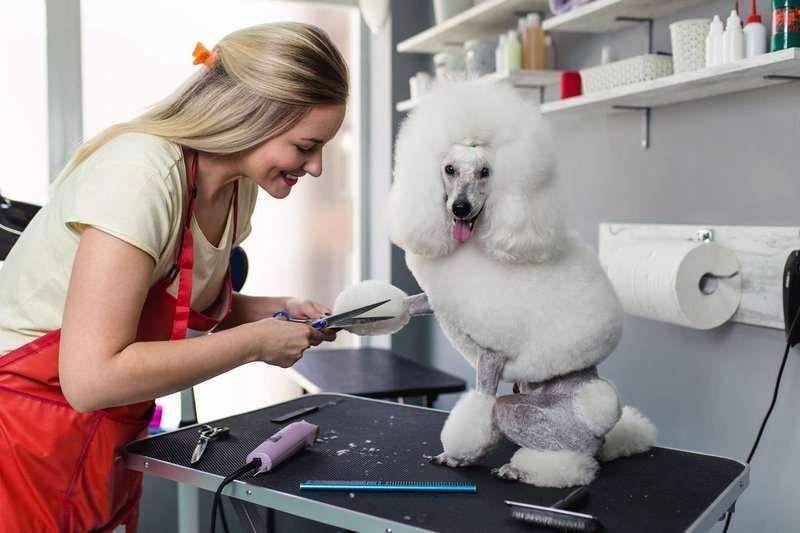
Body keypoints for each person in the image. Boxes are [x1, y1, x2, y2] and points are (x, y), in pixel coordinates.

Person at [0, 22, 347, 532]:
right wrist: (256, 342)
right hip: (28, 430)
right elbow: (91, 377)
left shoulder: (235, 188)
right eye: (306, 146)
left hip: (109, 432)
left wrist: (275, 312)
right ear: (255, 118)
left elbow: (173, 306)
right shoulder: (141, 176)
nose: (316, 167)